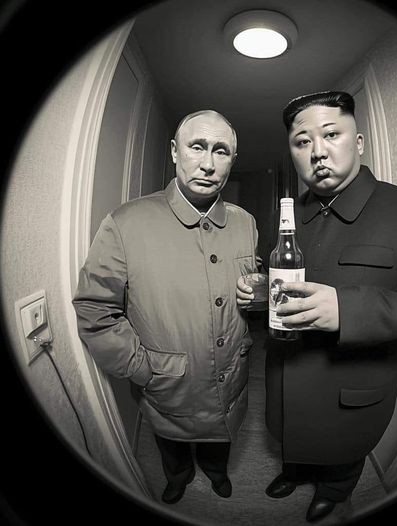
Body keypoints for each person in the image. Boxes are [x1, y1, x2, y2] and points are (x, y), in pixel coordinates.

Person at [237, 91, 397, 522]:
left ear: (358, 143)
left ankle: (333, 491)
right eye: (302, 141)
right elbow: (284, 279)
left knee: (342, 455)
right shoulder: (288, 215)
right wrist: (262, 291)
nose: (317, 151)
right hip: (286, 376)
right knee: (291, 436)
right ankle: (294, 472)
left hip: (351, 388)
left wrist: (345, 310)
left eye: (331, 134)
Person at [73, 110, 259, 505]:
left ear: (232, 160)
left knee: (220, 440)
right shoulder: (125, 222)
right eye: (197, 147)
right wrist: (141, 368)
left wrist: (256, 293)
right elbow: (95, 308)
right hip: (168, 384)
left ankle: (216, 472)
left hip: (231, 378)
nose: (208, 163)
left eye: (221, 151)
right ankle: (179, 477)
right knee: (171, 448)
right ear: (175, 151)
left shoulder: (246, 222)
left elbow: (249, 280)